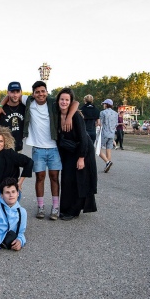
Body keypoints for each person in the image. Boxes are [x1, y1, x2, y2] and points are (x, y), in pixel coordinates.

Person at [19, 81, 77, 220]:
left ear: (47, 91)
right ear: (33, 94)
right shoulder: (29, 101)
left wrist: (69, 117)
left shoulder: (53, 102)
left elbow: (75, 103)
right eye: (37, 92)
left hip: (54, 148)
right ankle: (40, 207)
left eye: (43, 91)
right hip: (38, 148)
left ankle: (55, 207)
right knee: (40, 178)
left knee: (54, 177)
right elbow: (11, 96)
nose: (40, 94)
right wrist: (0, 105)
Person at [56, 88, 97, 220]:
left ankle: (73, 211)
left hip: (82, 150)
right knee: (67, 179)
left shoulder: (76, 116)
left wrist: (81, 158)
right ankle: (65, 208)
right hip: (68, 151)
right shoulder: (56, 113)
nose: (64, 102)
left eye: (67, 100)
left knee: (80, 180)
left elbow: (84, 138)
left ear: (70, 101)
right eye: (62, 99)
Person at [0, 81, 27, 152]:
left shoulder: (25, 108)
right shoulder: (0, 109)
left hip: (18, 147)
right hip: (3, 149)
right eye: (12, 92)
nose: (15, 95)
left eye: (17, 92)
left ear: (21, 92)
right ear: (8, 93)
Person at [98, 99, 118, 173]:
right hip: (112, 133)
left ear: (106, 104)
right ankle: (107, 164)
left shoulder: (103, 112)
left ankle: (107, 162)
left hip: (104, 133)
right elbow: (116, 123)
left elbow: (100, 123)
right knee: (108, 149)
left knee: (97, 149)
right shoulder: (116, 113)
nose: (103, 105)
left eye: (104, 104)